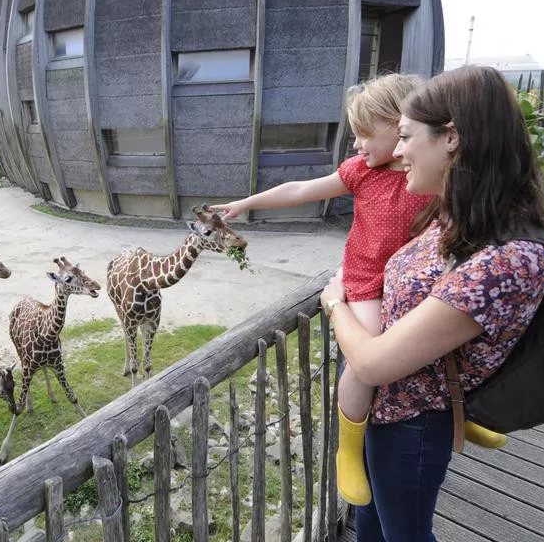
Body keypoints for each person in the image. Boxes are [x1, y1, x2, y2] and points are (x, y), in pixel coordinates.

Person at [210, 73, 503, 507]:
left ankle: (465, 411)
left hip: (416, 278)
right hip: (366, 281)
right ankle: (349, 446)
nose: (356, 144)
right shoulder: (361, 172)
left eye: (364, 134)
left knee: (444, 345)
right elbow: (303, 189)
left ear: (397, 124)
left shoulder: (430, 171)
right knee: (364, 364)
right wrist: (247, 203)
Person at [319, 65, 544, 541]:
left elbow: (370, 363)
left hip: (416, 422)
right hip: (390, 415)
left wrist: (336, 305)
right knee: (373, 525)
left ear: (450, 138)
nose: (400, 151)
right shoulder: (465, 213)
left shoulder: (503, 259)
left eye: (407, 136)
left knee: (404, 535)